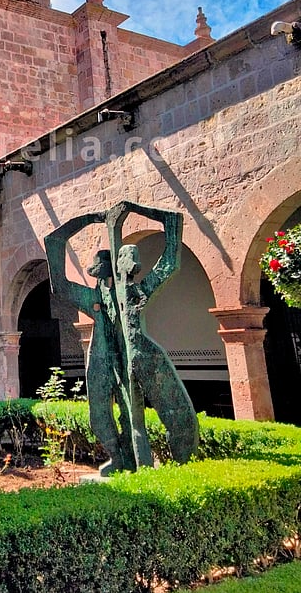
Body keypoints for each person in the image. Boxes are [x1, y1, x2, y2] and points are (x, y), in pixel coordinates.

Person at [106, 202, 199, 465]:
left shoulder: (141, 290)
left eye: (135, 255)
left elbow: (169, 260)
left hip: (142, 353)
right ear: (118, 263)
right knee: (129, 416)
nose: (135, 261)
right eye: (127, 255)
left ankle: (182, 455)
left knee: (175, 410)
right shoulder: (113, 297)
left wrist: (137, 210)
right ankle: (135, 462)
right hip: (124, 356)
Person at [45, 214, 135, 475]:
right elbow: (58, 275)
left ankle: (132, 456)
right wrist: (85, 220)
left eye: (96, 263)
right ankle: (117, 456)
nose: (90, 267)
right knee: (98, 415)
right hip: (99, 359)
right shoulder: (91, 295)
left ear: (108, 267)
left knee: (130, 411)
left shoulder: (125, 294)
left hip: (126, 356)